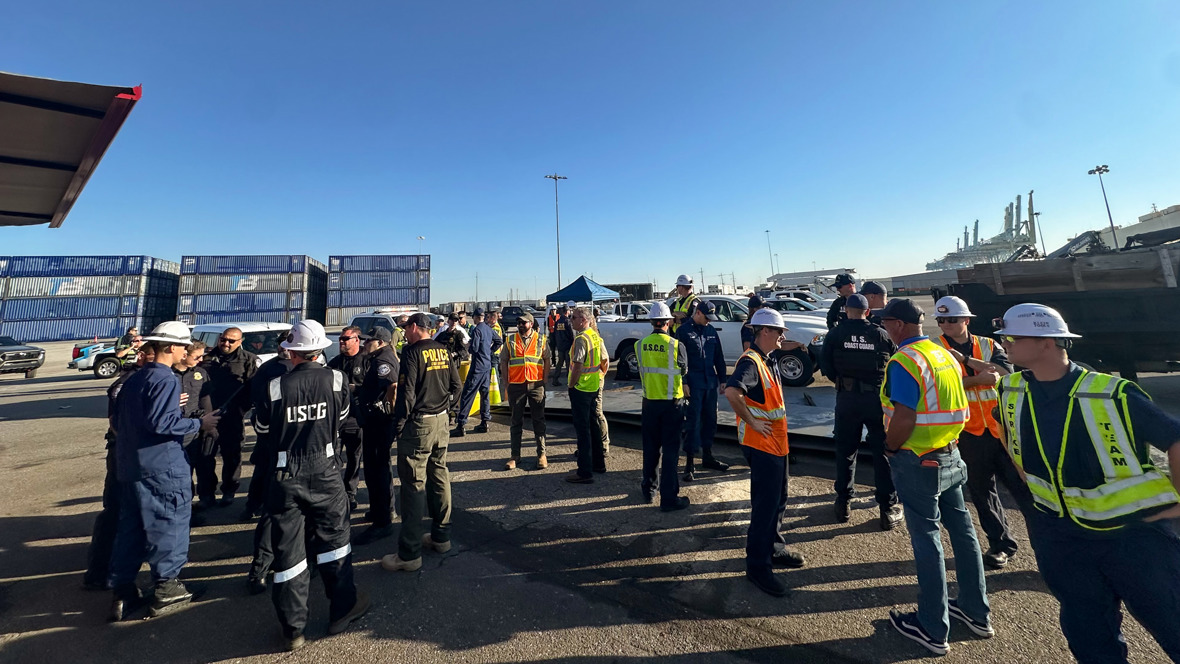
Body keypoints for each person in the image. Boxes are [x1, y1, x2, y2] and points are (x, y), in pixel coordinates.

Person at [994, 303, 1180, 664]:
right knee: (1090, 637)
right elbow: (1009, 437)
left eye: (1013, 338)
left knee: (1172, 623)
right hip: (1062, 539)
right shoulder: (1010, 389)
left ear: (1048, 343)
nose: (1007, 346)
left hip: (1134, 539)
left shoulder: (1111, 392)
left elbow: (1175, 439)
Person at [877, 298, 989, 656]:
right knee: (963, 531)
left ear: (896, 325)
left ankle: (932, 627)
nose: (883, 329)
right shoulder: (942, 354)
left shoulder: (904, 360)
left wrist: (891, 448)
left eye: (885, 323)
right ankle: (975, 611)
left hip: (918, 458)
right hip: (951, 453)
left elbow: (905, 417)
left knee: (927, 539)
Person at [253, 320, 369, 651]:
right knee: (335, 542)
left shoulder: (276, 386)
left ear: (291, 350)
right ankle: (342, 608)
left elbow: (262, 428)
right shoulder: (336, 378)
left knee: (289, 551)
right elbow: (344, 414)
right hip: (326, 468)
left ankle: (293, 628)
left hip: (285, 472)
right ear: (321, 348)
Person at [107, 322, 220, 621]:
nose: (187, 351)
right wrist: (200, 423)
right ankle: (167, 588)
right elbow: (163, 424)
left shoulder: (135, 379)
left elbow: (120, 420)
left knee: (130, 529)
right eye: (184, 346)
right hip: (162, 466)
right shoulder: (166, 380)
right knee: (168, 523)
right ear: (170, 347)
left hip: (131, 465)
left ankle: (123, 592)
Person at [931, 296, 1024, 569]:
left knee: (1024, 490)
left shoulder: (988, 344)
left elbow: (1005, 373)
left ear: (966, 320)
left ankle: (1049, 546)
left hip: (1001, 429)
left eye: (953, 319)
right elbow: (939, 386)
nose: (947, 324)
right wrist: (979, 378)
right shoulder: (935, 349)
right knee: (982, 493)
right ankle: (1001, 545)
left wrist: (966, 360)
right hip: (968, 431)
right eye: (942, 320)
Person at [725, 308, 807, 597]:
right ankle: (758, 567)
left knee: (779, 499)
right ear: (764, 332)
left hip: (776, 444)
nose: (783, 336)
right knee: (765, 506)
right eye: (779, 331)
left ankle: (773, 548)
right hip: (762, 446)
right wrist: (752, 421)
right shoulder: (751, 362)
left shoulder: (768, 360)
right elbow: (732, 392)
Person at [381, 313, 463, 573]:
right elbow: (457, 385)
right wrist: (448, 409)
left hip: (419, 424)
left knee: (413, 485)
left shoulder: (412, 352)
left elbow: (407, 393)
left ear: (415, 327)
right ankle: (441, 537)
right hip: (440, 422)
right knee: (439, 475)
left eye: (406, 328)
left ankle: (409, 553)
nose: (404, 333)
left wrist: (399, 424)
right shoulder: (442, 349)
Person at [818, 294, 901, 529]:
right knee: (882, 453)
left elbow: (826, 366)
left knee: (846, 451)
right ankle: (887, 507)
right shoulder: (880, 334)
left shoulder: (835, 334)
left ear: (846, 310)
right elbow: (895, 362)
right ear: (867, 311)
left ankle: (843, 503)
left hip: (847, 398)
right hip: (876, 400)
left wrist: (844, 383)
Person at [83, 344, 155, 591]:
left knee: (125, 511)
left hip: (129, 452)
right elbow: (116, 422)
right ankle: (102, 572)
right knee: (118, 512)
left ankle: (108, 571)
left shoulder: (142, 379)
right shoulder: (129, 382)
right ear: (143, 357)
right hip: (124, 453)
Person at [245, 348, 294, 595]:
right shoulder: (330, 379)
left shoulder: (275, 381)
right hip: (311, 459)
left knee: (273, 513)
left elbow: (261, 423)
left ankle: (259, 572)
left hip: (279, 455)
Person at [636, 302, 690, 511]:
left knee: (650, 449)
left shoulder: (639, 345)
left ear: (651, 322)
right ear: (668, 322)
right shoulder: (677, 346)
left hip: (649, 403)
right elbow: (684, 371)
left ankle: (649, 491)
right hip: (672, 405)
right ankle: (669, 499)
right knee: (670, 452)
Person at [198, 326, 258, 507]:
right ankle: (206, 495)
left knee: (232, 457)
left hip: (232, 417)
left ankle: (229, 491)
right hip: (208, 417)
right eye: (223, 339)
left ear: (240, 342)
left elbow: (252, 389)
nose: (226, 343)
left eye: (231, 341)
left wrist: (241, 409)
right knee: (205, 457)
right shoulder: (206, 359)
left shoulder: (248, 360)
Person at [353, 327, 399, 545]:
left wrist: (387, 407)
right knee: (377, 469)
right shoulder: (377, 357)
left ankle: (382, 522)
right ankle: (380, 510)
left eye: (368, 340)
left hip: (379, 423)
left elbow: (393, 385)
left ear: (380, 342)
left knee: (376, 470)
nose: (364, 343)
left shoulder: (383, 360)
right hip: (375, 421)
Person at [677, 300, 730, 481]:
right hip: (693, 385)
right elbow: (679, 361)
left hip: (710, 384)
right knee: (693, 422)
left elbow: (718, 356)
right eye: (706, 317)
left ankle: (707, 456)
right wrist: (683, 382)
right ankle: (689, 463)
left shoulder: (711, 331)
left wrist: (723, 379)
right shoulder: (683, 331)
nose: (709, 321)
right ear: (698, 312)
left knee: (710, 421)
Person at [564, 306, 609, 483]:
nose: (571, 320)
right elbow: (603, 361)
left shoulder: (582, 339)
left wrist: (571, 384)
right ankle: (599, 464)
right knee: (594, 426)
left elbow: (577, 365)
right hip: (592, 386)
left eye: (574, 318)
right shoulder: (595, 336)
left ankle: (584, 472)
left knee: (582, 430)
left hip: (581, 388)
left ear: (583, 320)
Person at [501, 312, 549, 470]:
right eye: (518, 322)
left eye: (523, 322)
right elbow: (504, 361)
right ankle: (515, 456)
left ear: (531, 323)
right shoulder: (510, 340)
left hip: (536, 385)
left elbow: (547, 358)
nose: (520, 325)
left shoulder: (541, 339)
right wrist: (506, 383)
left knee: (538, 420)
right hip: (516, 385)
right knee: (516, 421)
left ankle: (541, 454)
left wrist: (545, 379)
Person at [328, 326, 369, 511]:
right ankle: (334, 493)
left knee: (354, 457)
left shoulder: (367, 361)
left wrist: (356, 389)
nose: (342, 342)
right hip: (336, 419)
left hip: (356, 418)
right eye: (340, 339)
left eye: (345, 339)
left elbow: (374, 388)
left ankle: (350, 493)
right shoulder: (335, 363)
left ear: (356, 340)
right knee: (333, 457)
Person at [173, 341, 212, 524]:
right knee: (182, 475)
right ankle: (183, 511)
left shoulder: (200, 374)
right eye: (197, 356)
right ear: (184, 354)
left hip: (198, 428)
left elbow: (206, 399)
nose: (201, 360)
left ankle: (197, 503)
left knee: (202, 467)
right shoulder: (168, 374)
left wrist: (210, 423)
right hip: (176, 431)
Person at [451, 307, 502, 437]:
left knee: (468, 394)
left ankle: (461, 424)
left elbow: (473, 348)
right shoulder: (488, 329)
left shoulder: (477, 330)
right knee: (485, 394)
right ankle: (485, 422)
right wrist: (489, 352)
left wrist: (469, 347)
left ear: (474, 317)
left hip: (477, 367)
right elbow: (499, 341)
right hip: (486, 366)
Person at [549, 304, 574, 386]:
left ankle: (555, 379)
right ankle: (570, 380)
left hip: (560, 346)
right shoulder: (568, 321)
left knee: (559, 363)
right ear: (567, 312)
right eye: (569, 310)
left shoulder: (558, 322)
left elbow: (555, 333)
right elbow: (571, 334)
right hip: (567, 345)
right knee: (568, 364)